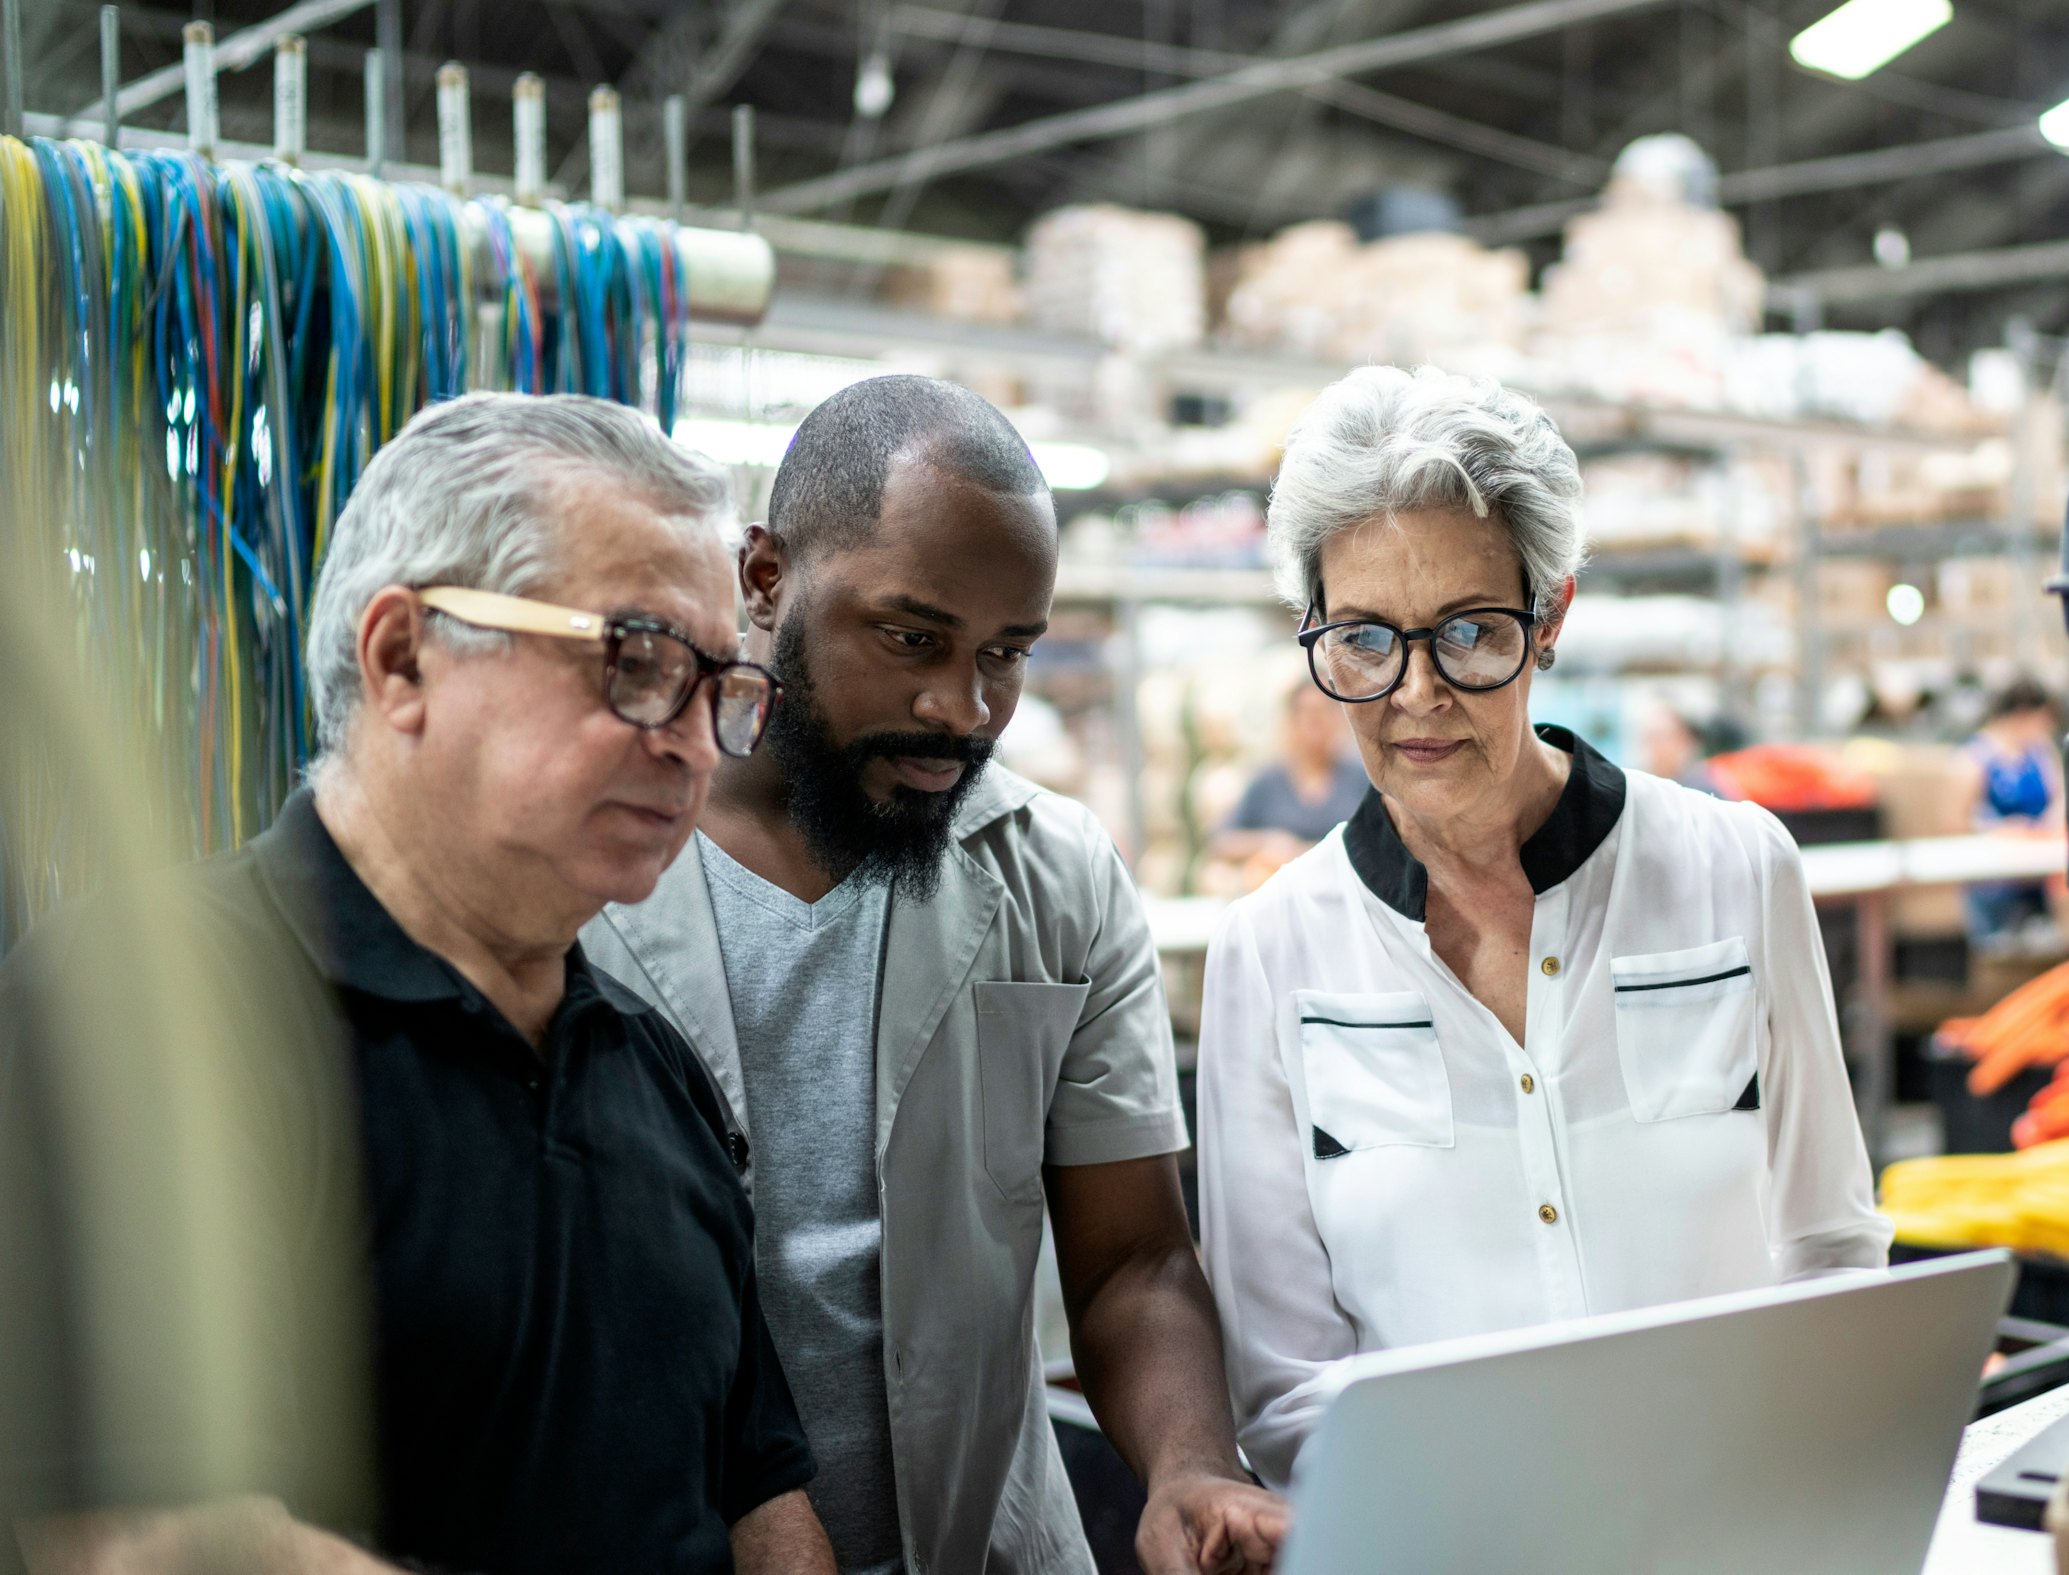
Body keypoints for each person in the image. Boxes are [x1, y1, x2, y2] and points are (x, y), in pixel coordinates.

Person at [4, 394, 833, 1574]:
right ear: (402, 658)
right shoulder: (146, 1018)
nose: (693, 744)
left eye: (719, 693)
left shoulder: (655, 1072)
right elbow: (149, 1537)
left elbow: (759, 1489)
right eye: (638, 664)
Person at [584, 376, 1288, 1575]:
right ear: (764, 578)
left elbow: (1133, 1258)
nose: (961, 709)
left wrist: (1189, 1463)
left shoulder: (1053, 874)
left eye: (1005, 654)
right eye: (911, 638)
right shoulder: (588, 864)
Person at [1193, 366, 1893, 1487]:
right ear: (1312, 631)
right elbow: (1285, 1383)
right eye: (1365, 641)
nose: (1416, 693)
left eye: (1469, 632)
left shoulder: (1733, 872)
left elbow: (1830, 1250)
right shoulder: (1273, 952)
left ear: (1551, 614)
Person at [1951, 677, 2066, 949]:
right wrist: (1999, 831)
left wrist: (2048, 822)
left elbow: (2060, 796)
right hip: (1994, 879)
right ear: (2022, 716)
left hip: (2038, 871)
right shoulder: (1973, 759)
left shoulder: (2041, 752)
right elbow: (1955, 822)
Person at [1210, 684, 1373, 872]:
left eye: (1325, 711)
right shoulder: (1267, 781)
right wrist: (1268, 842)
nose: (1316, 722)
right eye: (1308, 713)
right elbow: (1221, 841)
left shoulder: (1360, 777)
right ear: (1291, 720)